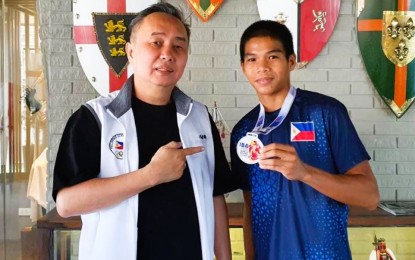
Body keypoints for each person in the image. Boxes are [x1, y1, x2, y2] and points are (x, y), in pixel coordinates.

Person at [53, 3, 234, 260]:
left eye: (178, 46)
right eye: (156, 43)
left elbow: (215, 195)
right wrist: (151, 175)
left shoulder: (200, 117)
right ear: (130, 51)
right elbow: (67, 204)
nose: (168, 54)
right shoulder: (95, 118)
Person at [230, 20, 380, 260]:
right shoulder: (244, 132)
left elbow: (370, 196)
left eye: (272, 57)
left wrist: (305, 173)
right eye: (252, 59)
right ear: (243, 66)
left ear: (291, 61)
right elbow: (251, 207)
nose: (262, 67)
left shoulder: (325, 113)